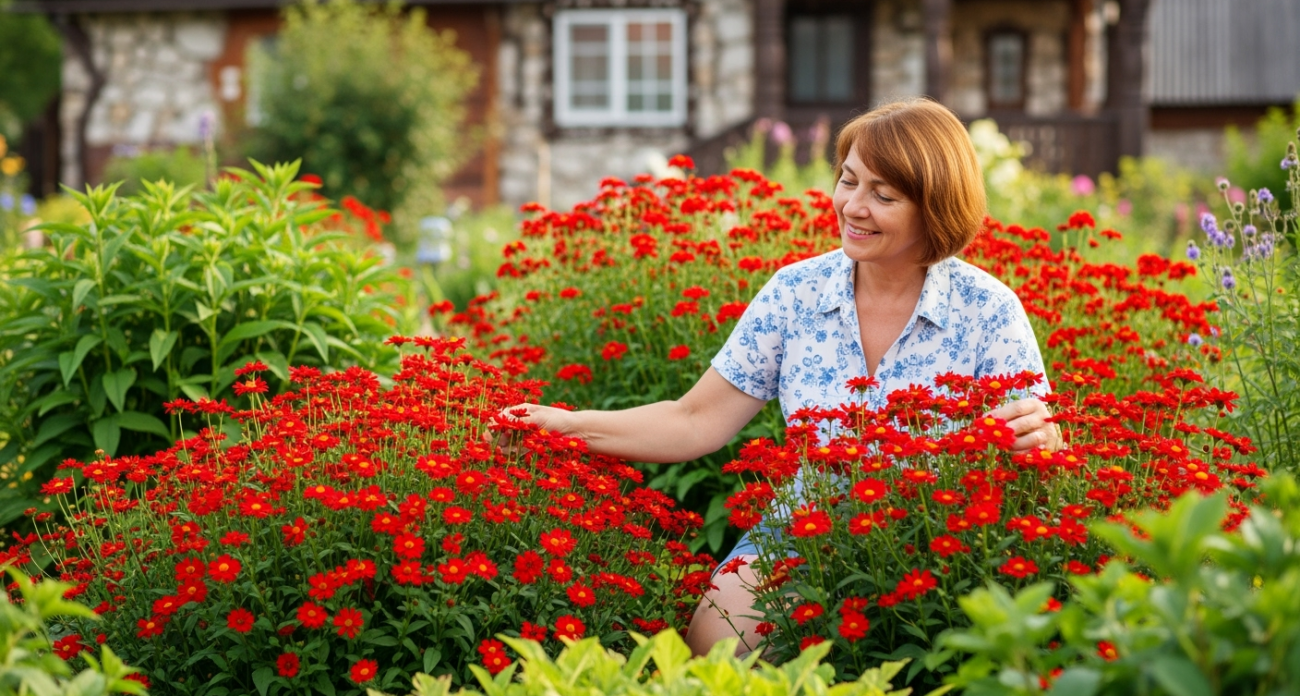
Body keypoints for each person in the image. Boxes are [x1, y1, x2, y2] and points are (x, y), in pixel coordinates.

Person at [502, 98, 1059, 657]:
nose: (853, 207)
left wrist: (1041, 442)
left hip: (933, 537)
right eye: (848, 181)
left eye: (883, 195)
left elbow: (1036, 445)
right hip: (805, 528)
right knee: (711, 651)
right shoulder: (796, 293)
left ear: (935, 208)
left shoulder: (988, 310)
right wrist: (564, 426)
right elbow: (693, 419)